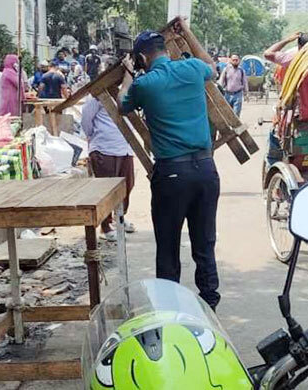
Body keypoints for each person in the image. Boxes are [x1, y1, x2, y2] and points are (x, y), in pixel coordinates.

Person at [118, 31, 221, 310]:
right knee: (204, 243)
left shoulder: (145, 84)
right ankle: (210, 305)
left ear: (141, 58)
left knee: (167, 246)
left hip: (172, 175)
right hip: (206, 170)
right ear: (166, 49)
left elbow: (122, 104)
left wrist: (128, 75)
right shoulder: (192, 68)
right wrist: (188, 32)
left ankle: (170, 310)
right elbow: (212, 66)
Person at [82, 95, 136, 240]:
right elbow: (86, 121)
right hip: (104, 147)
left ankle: (120, 218)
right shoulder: (96, 97)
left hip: (125, 147)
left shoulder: (127, 92)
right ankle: (106, 226)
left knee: (127, 185)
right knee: (106, 190)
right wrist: (96, 136)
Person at [263, 32, 308, 166]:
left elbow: (267, 53)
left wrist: (287, 40)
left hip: (295, 110)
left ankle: (271, 165)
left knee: (275, 133)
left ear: (299, 44)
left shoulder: (292, 56)